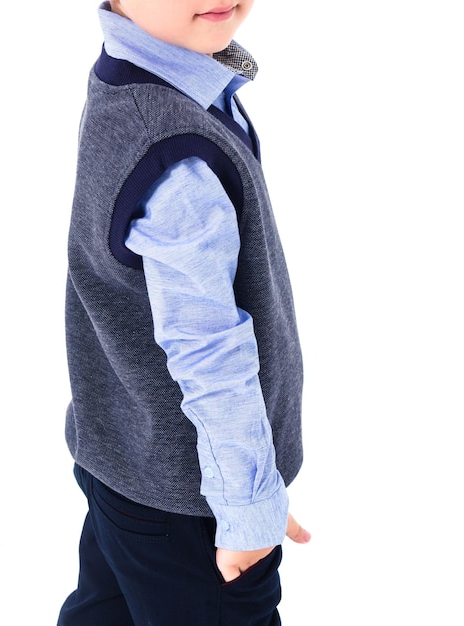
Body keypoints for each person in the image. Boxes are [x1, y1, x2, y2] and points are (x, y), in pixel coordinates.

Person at [58, 1, 311, 625]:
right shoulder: (175, 152)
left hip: (122, 457)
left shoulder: (143, 75)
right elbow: (208, 349)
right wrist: (246, 502)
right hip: (190, 503)